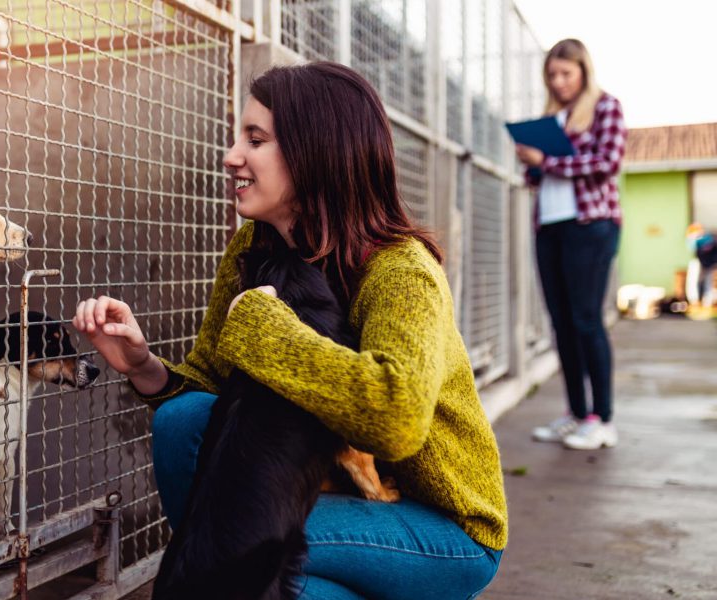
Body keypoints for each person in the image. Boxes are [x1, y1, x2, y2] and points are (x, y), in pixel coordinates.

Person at [74, 62, 505, 600]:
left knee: (243, 556)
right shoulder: (253, 248)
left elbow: (397, 417)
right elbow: (214, 389)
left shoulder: (401, 270)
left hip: (444, 528)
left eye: (255, 140)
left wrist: (266, 330)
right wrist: (143, 365)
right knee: (185, 424)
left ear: (315, 153)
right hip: (340, 500)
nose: (232, 156)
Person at [516, 39, 627, 451]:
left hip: (591, 225)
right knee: (560, 323)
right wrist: (529, 162)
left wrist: (546, 162)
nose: (558, 81)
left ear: (583, 71)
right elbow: (537, 179)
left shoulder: (606, 108)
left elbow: (605, 163)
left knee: (586, 320)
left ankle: (603, 419)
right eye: (552, 75)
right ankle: (577, 413)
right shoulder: (551, 119)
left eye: (566, 73)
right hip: (550, 227)